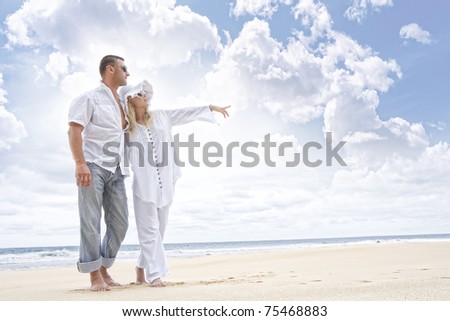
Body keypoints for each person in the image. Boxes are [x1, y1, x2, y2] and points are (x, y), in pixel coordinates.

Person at [120, 80, 230, 287]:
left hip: (166, 182)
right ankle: (155, 275)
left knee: (160, 230)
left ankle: (140, 266)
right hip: (144, 185)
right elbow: (115, 149)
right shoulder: (126, 128)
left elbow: (185, 112)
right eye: (138, 93)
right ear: (129, 100)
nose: (144, 95)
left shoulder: (162, 116)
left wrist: (210, 107)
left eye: (145, 93)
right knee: (149, 230)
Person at [67, 55, 131, 291]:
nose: (128, 73)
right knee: (90, 220)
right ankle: (95, 274)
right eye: (124, 68)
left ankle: (104, 265)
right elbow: (74, 131)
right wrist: (80, 164)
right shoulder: (89, 98)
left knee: (120, 223)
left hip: (117, 168)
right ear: (110, 69)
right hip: (93, 165)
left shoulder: (122, 102)